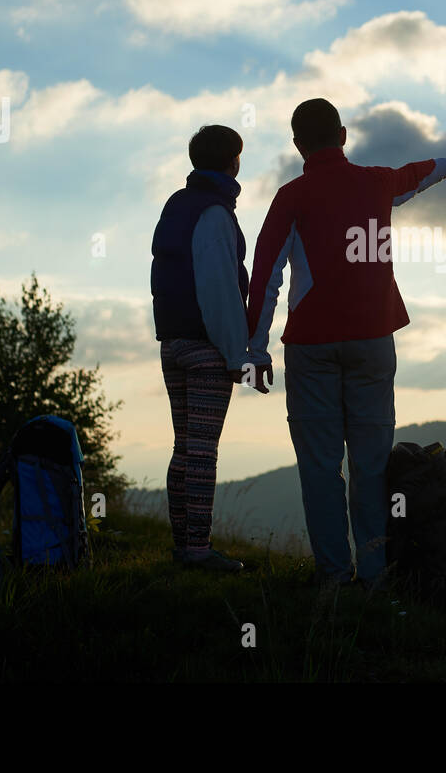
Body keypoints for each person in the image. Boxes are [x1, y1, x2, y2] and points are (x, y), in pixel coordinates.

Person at [245, 98, 446, 587]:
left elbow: (265, 276)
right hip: (373, 340)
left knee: (321, 467)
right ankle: (374, 575)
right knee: (370, 466)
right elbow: (415, 176)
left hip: (311, 343)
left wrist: (255, 350)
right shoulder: (376, 183)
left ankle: (333, 576)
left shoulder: (291, 196)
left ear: (299, 145)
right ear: (343, 135)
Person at [151, 124, 268, 573]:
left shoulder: (176, 206)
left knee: (184, 447)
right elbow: (219, 289)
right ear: (232, 162)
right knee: (202, 451)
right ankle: (198, 549)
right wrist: (239, 356)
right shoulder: (216, 214)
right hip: (205, 348)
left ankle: (183, 544)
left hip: (172, 342)